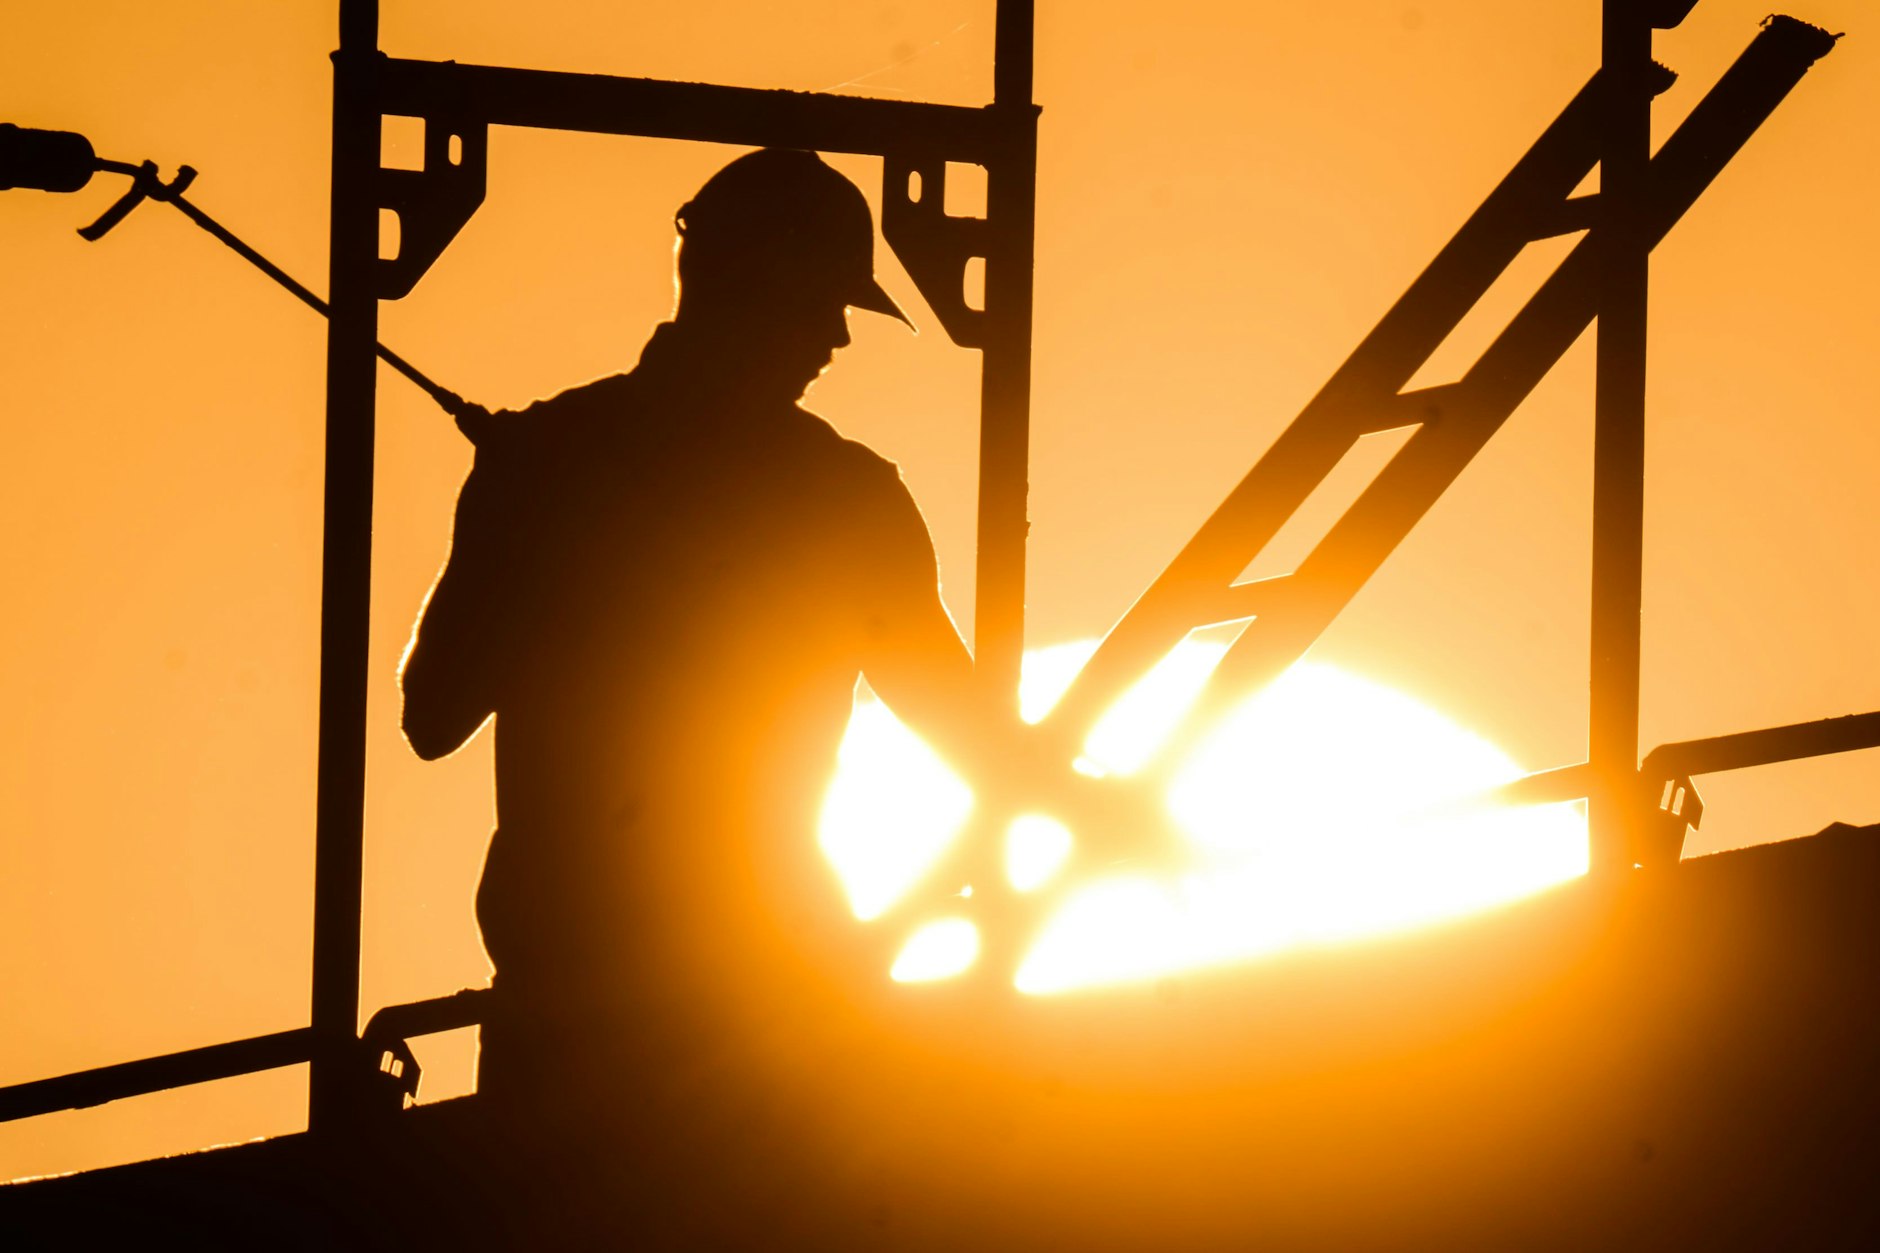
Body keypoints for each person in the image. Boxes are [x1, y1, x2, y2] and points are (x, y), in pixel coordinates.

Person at [399, 148, 1041, 1107]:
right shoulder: (842, 499)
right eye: (820, 300)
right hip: (742, 1016)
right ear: (744, 288)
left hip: (594, 1022)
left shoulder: (548, 463)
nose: (838, 336)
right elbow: (974, 734)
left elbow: (434, 708)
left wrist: (540, 522)